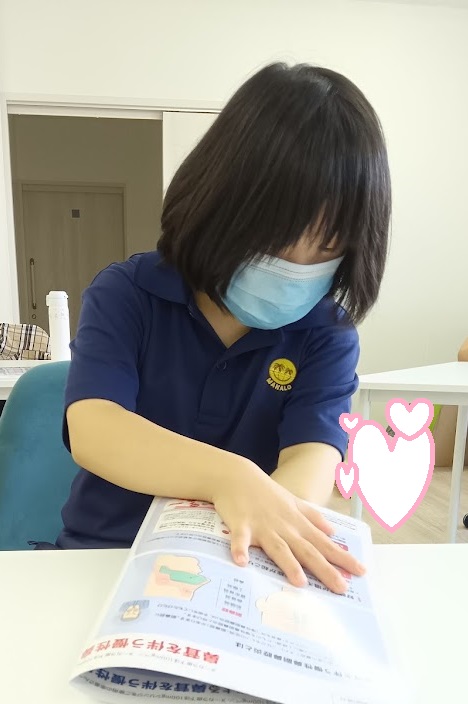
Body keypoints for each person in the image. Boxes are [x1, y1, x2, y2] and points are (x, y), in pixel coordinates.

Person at [56, 63, 391, 595]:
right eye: (277, 238)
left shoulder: (326, 334)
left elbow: (312, 459)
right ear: (217, 203)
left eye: (327, 246)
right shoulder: (127, 293)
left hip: (234, 569)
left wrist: (265, 527)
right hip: (103, 556)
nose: (296, 267)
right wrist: (230, 477)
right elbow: (95, 429)